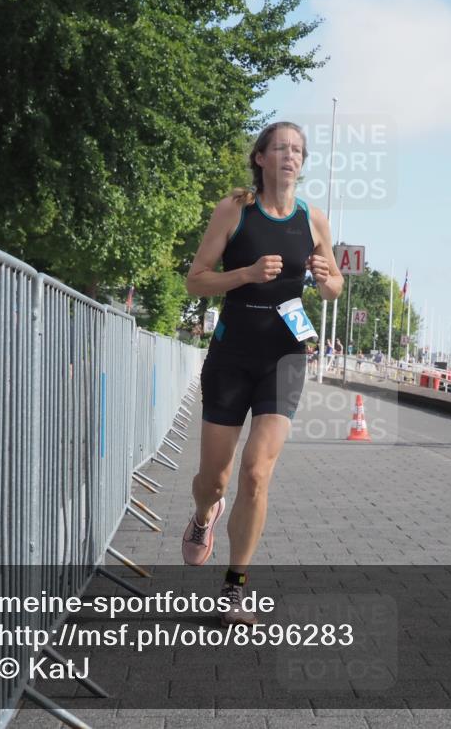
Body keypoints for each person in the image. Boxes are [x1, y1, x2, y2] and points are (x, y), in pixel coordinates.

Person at [182, 122, 343, 625]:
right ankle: (206, 513)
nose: (289, 156)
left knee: (256, 472)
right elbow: (195, 281)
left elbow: (335, 284)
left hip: (286, 356)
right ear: (260, 157)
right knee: (216, 478)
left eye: (297, 149)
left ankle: (235, 586)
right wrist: (247, 275)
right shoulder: (235, 209)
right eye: (280, 148)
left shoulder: (314, 220)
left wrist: (327, 279)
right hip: (232, 354)